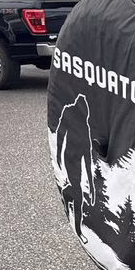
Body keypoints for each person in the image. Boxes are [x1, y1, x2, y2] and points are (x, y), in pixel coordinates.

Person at [54, 94, 96, 243]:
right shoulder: (69, 112)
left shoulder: (86, 125)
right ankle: (79, 231)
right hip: (70, 158)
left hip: (80, 158)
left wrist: (92, 187)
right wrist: (57, 155)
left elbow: (88, 158)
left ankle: (67, 193)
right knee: (78, 196)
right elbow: (60, 133)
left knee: (77, 191)